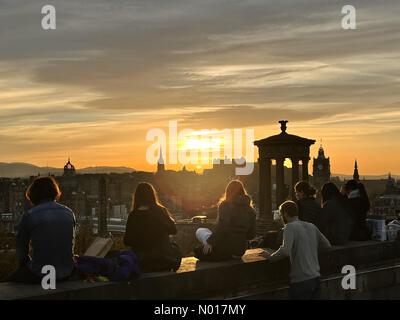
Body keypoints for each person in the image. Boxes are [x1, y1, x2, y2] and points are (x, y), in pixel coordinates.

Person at [7, 176, 76, 284]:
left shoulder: (30, 215)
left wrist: (26, 264)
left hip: (42, 274)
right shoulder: (69, 213)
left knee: (9, 282)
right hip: (67, 272)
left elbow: (21, 249)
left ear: (33, 195)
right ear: (55, 192)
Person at [261, 201, 331, 300]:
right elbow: (327, 245)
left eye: (281, 214)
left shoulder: (289, 227)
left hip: (301, 280)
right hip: (316, 278)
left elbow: (285, 251)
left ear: (285, 213)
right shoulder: (311, 226)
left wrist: (270, 257)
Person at [123, 182, 181, 272]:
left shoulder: (134, 215)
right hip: (164, 261)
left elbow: (127, 241)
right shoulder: (161, 211)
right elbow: (173, 230)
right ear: (152, 195)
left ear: (137, 197)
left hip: (143, 263)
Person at [194, 180, 256, 261]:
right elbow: (251, 235)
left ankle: (209, 245)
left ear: (228, 192)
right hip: (239, 252)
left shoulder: (225, 205)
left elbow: (222, 227)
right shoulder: (251, 210)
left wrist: (210, 242)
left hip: (224, 249)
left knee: (200, 231)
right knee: (205, 240)